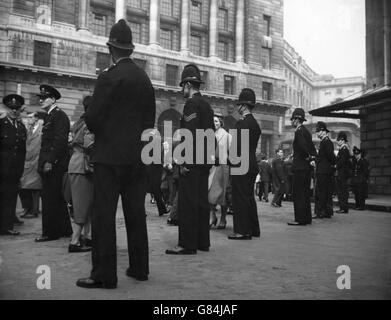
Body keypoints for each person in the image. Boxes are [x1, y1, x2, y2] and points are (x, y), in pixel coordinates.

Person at [77, 19, 156, 289]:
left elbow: (93, 119)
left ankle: (103, 275)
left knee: (104, 216)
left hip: (108, 158)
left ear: (110, 48)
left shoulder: (108, 77)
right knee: (136, 214)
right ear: (131, 50)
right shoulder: (145, 80)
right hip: (136, 159)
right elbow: (150, 123)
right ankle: (139, 268)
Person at [165, 64, 214, 255]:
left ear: (187, 85)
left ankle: (187, 244)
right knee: (201, 202)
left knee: (187, 203)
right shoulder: (207, 106)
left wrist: (184, 161)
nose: (181, 91)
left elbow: (189, 134)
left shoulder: (191, 104)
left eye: (182, 86)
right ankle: (202, 242)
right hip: (203, 161)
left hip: (192, 162)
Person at [34, 85, 72, 242]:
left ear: (53, 99)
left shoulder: (59, 115)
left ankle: (50, 232)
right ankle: (64, 229)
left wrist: (50, 161)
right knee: (56, 197)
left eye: (45, 97)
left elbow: (60, 141)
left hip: (54, 163)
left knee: (49, 198)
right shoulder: (50, 115)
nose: (41, 100)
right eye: (40, 97)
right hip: (50, 162)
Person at [228, 88, 261, 240]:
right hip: (252, 163)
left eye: (239, 105)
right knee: (248, 197)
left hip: (240, 163)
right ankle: (253, 229)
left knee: (239, 197)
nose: (237, 107)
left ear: (243, 106)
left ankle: (242, 231)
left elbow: (236, 147)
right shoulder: (255, 124)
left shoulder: (240, 124)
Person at [67, 96, 94, 253]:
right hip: (83, 166)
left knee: (87, 204)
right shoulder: (89, 124)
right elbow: (90, 145)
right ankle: (75, 241)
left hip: (75, 163)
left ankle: (87, 237)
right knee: (82, 206)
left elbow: (70, 144)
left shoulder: (78, 122)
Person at [0, 94, 27, 235]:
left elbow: (22, 150)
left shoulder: (21, 127)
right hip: (2, 168)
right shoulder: (1, 124)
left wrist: (21, 170)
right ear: (7, 108)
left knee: (10, 198)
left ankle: (7, 226)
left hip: (15, 170)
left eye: (17, 108)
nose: (14, 111)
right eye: (11, 108)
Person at [288, 108, 316, 226]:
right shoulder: (306, 131)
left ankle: (299, 219)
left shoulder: (299, 131)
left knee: (298, 194)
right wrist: (311, 158)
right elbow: (311, 148)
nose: (292, 121)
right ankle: (306, 218)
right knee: (305, 194)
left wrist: (305, 156)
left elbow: (303, 147)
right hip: (306, 167)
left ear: (297, 119)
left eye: (293, 119)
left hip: (300, 167)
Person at [208, 113, 232, 230]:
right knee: (209, 193)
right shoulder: (209, 135)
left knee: (223, 196)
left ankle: (223, 218)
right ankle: (212, 216)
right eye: (213, 121)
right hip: (212, 168)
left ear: (221, 122)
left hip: (223, 168)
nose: (214, 123)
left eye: (216, 121)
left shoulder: (226, 135)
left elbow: (232, 153)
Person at [19, 112, 42, 219]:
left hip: (36, 161)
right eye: (27, 117)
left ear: (36, 118)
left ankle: (35, 210)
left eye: (31, 117)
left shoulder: (41, 130)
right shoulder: (29, 130)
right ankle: (27, 208)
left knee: (35, 188)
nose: (28, 119)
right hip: (27, 162)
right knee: (25, 187)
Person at [313, 121, 336, 219]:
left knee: (321, 192)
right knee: (326, 192)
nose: (317, 134)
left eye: (318, 131)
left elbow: (331, 156)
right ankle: (326, 211)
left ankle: (321, 212)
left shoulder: (326, 142)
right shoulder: (326, 142)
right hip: (325, 171)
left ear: (323, 131)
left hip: (323, 171)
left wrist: (317, 161)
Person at [335, 132, 351, 214]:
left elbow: (341, 162)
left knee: (342, 191)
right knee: (341, 191)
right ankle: (342, 207)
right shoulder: (342, 149)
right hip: (342, 173)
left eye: (338, 140)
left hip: (343, 174)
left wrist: (335, 166)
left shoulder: (344, 150)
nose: (337, 142)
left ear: (342, 140)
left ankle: (344, 208)